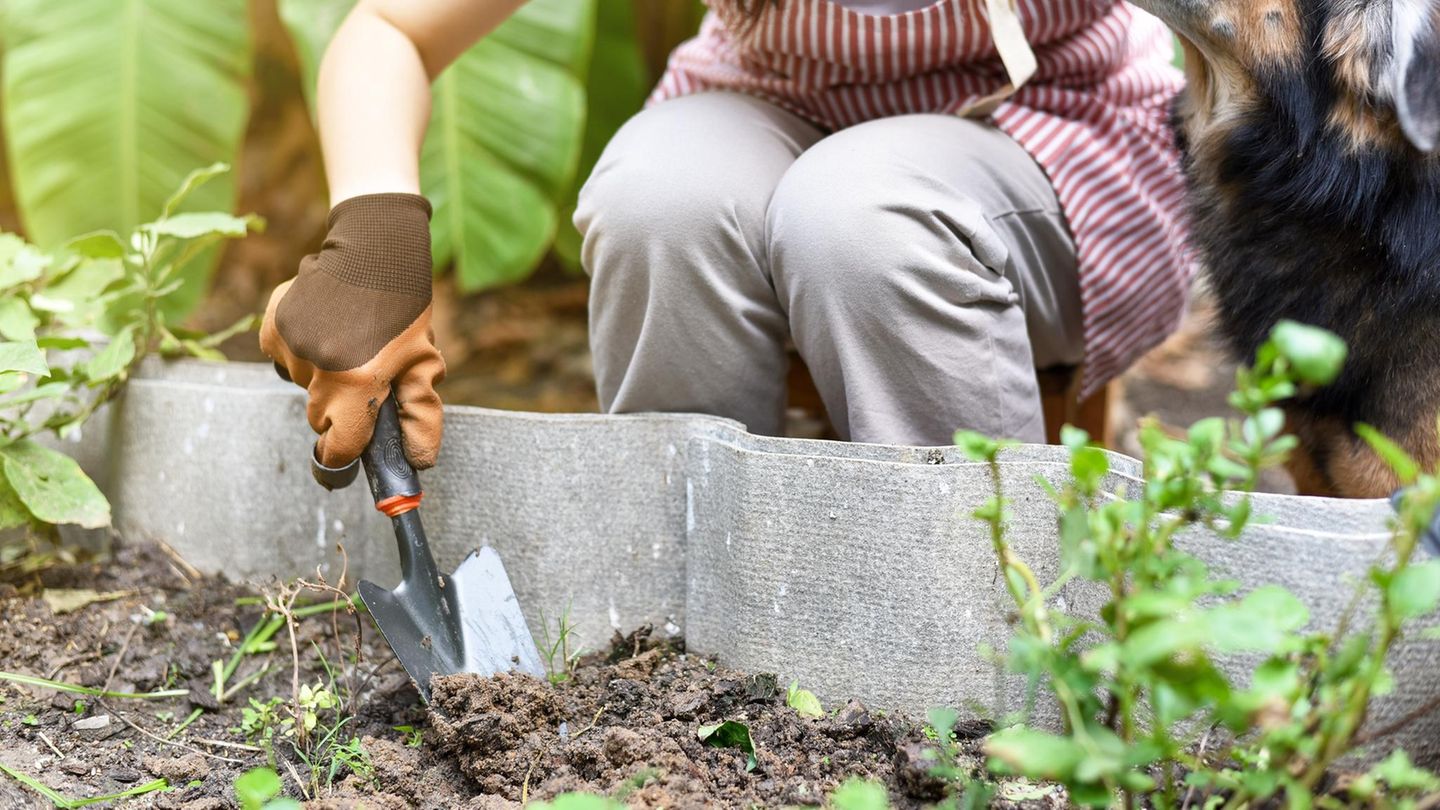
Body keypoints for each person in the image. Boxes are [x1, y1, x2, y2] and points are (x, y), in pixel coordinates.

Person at [261, 0, 1189, 471]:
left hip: (1052, 124)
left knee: (858, 214)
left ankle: (980, 663)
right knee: (658, 202)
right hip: (772, 98)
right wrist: (372, 255)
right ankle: (693, 656)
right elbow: (391, 28)